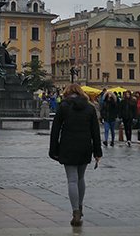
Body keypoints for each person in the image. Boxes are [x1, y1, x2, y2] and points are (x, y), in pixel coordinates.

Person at [49, 83, 102, 227]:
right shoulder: (90, 108)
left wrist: (53, 150)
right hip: (85, 146)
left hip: (68, 146)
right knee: (80, 177)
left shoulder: (64, 107)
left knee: (72, 179)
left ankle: (75, 211)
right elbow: (95, 132)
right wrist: (98, 152)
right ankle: (80, 205)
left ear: (67, 93)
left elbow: (55, 129)